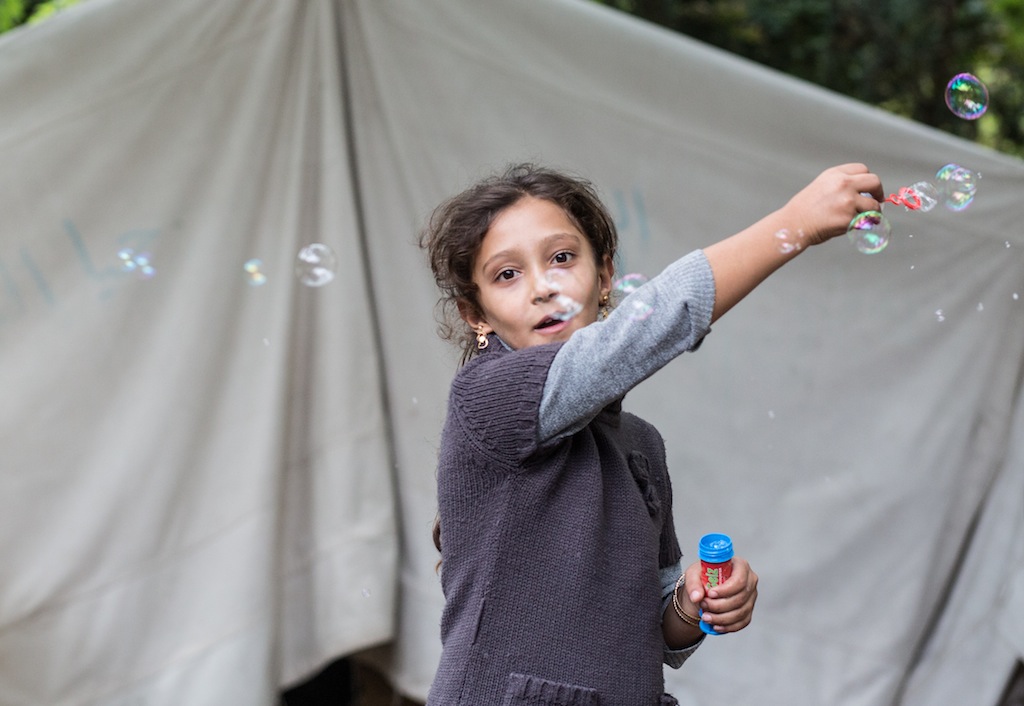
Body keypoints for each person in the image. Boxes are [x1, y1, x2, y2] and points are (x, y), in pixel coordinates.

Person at [420, 162, 883, 706]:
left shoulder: (641, 444)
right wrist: (794, 223)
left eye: (562, 258)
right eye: (507, 274)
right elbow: (635, 336)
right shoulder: (485, 396)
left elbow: (661, 632)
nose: (542, 287)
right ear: (475, 314)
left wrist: (696, 599)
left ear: (605, 276)